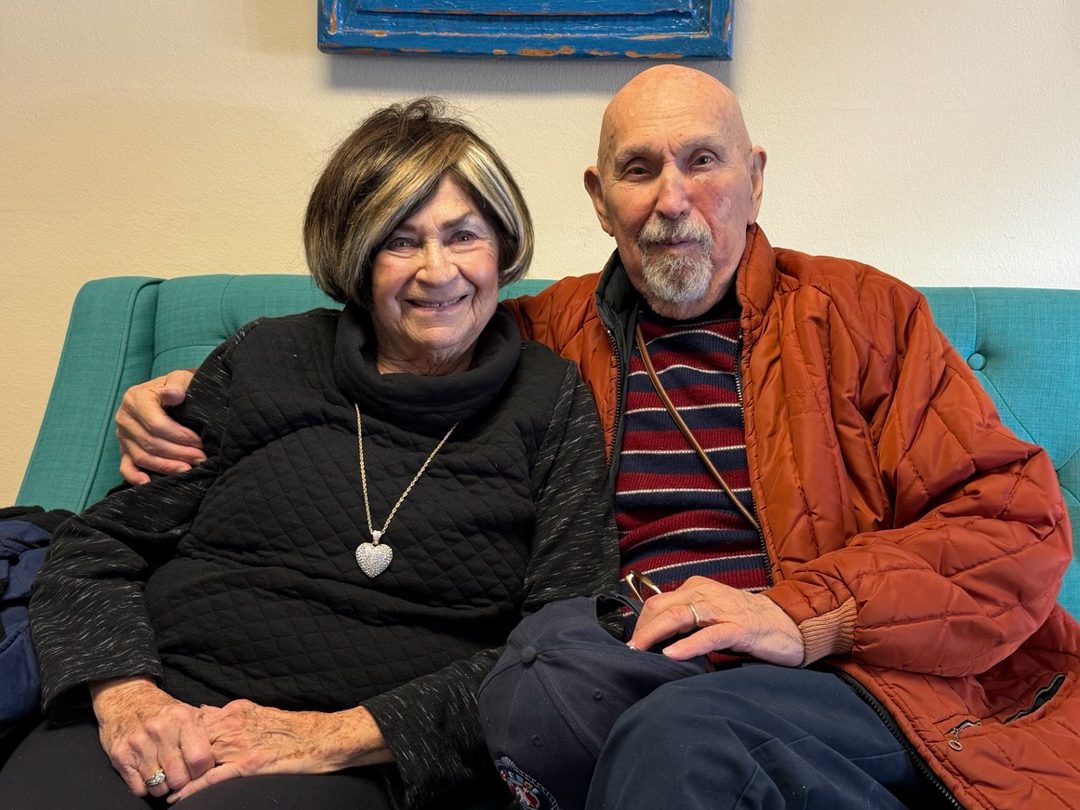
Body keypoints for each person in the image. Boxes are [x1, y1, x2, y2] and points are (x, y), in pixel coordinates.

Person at [108, 65, 1079, 809]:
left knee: (682, 739)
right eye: (639, 168)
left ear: (754, 176)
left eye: (703, 160)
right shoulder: (541, 336)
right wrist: (208, 393)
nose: (672, 199)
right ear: (596, 194)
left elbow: (1015, 523)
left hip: (843, 678)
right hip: (616, 667)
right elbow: (396, 353)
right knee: (553, 699)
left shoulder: (865, 315)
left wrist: (802, 612)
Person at [0, 98, 615, 810]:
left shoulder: (550, 399)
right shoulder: (267, 357)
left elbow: (562, 641)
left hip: (358, 754)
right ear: (354, 256)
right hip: (160, 706)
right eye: (400, 240)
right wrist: (128, 701)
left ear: (503, 248)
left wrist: (337, 736)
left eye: (463, 235)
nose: (437, 270)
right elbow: (98, 548)